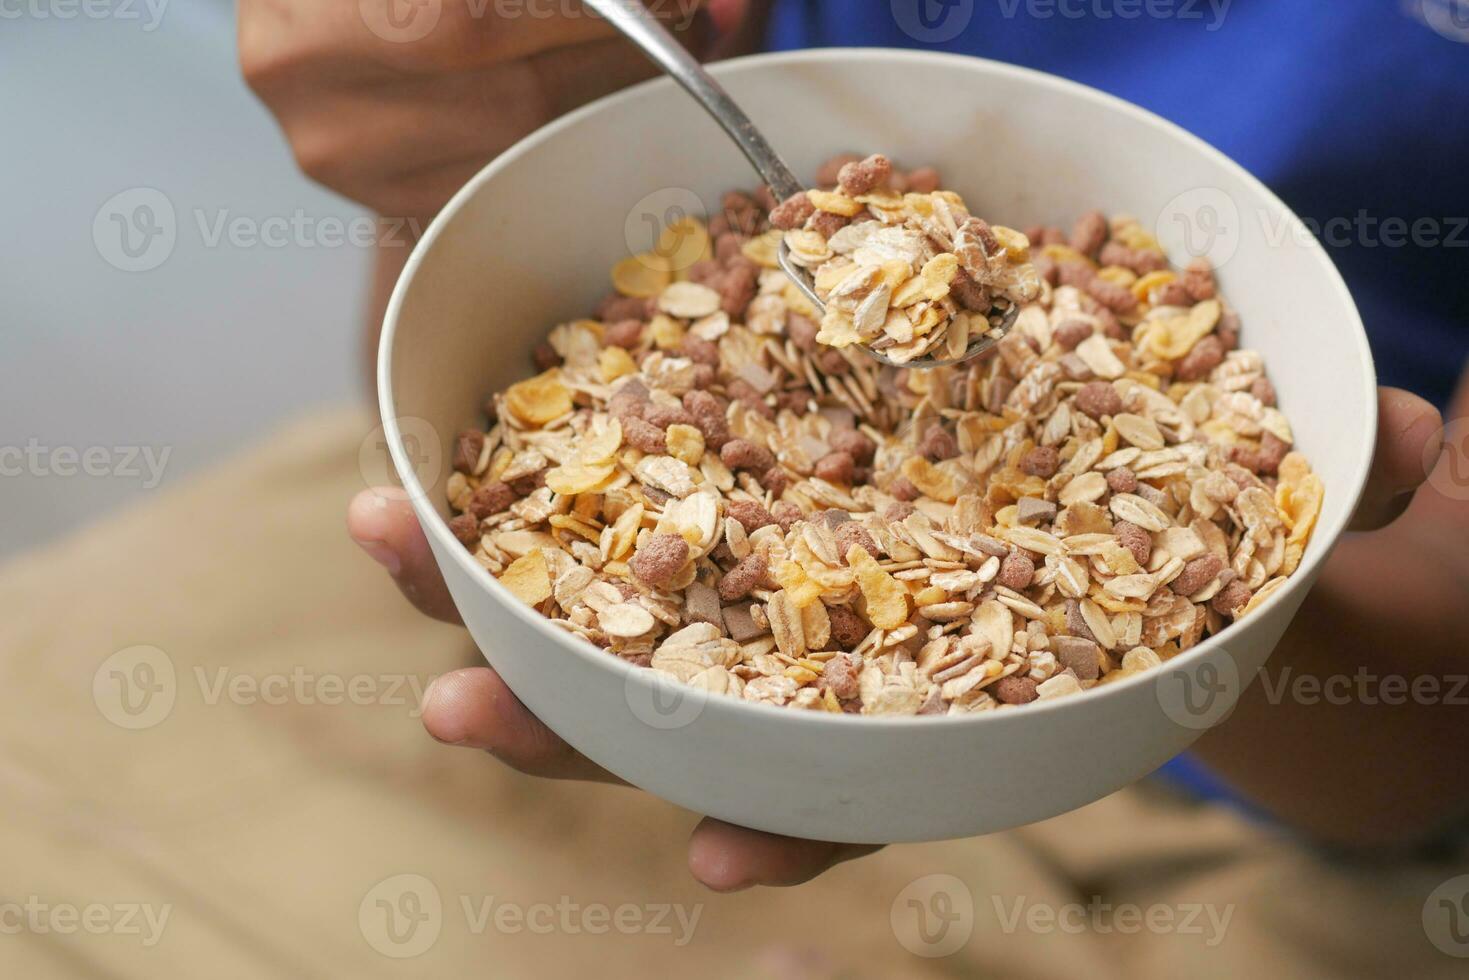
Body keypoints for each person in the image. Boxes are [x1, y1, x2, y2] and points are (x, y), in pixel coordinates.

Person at [239, 0, 1469, 892]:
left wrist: (1175, 648)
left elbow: (1419, 748)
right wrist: (451, 121)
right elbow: (442, 378)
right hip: (608, 716)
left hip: (1283, 777)